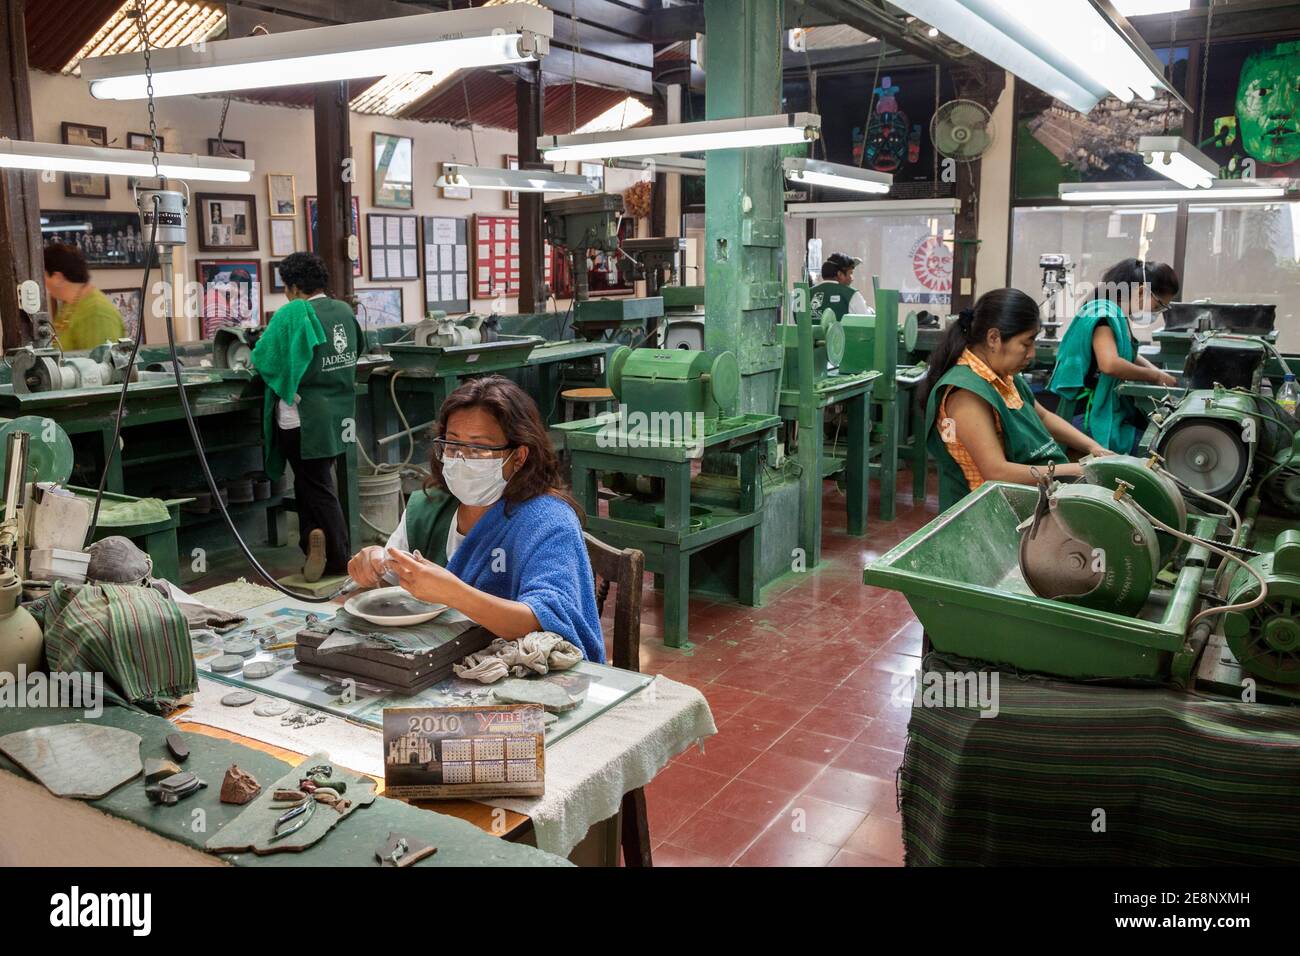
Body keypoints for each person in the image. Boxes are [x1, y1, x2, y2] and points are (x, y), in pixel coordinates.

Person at [347, 375, 606, 663]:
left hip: (520, 671)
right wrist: (372, 565)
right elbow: (395, 585)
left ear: (519, 456)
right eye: (453, 445)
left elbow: (545, 619)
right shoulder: (428, 508)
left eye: (479, 449)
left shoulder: (548, 522)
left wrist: (452, 593)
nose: (461, 459)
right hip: (441, 665)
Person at [922, 288, 1112, 512]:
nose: (1031, 353)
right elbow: (996, 472)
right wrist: (1079, 469)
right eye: (1026, 343)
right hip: (988, 511)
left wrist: (1095, 448)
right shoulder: (966, 394)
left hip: (1026, 492)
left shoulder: (1004, 376)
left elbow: (1042, 416)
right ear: (994, 338)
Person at [250, 252, 359, 582]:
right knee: (315, 482)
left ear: (295, 286)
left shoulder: (294, 313)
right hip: (338, 414)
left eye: (285, 287)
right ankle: (314, 541)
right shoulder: (344, 310)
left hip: (303, 417)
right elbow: (359, 348)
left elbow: (263, 359)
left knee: (316, 485)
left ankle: (341, 558)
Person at [1048, 258, 1180, 456]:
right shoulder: (1103, 315)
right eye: (1158, 305)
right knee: (1157, 451)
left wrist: (1159, 373)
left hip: (1103, 410)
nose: (1156, 312)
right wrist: (1155, 377)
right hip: (1088, 417)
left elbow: (1129, 354)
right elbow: (1110, 364)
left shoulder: (1117, 315)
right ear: (1143, 291)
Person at [42, 243, 126, 350]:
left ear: (57, 278)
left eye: (44, 275)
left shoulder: (97, 312)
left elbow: (102, 364)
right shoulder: (69, 304)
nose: (43, 282)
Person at [809, 252, 870, 319]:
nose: (852, 279)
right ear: (840, 274)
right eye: (850, 273)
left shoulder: (806, 294)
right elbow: (868, 322)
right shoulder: (851, 295)